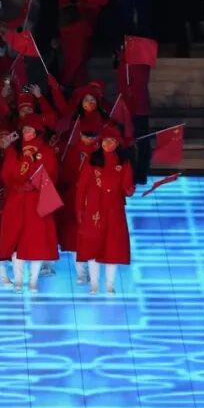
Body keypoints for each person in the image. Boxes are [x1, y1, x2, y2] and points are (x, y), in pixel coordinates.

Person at [0, 115, 60, 293]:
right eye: (24, 129)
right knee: (16, 241)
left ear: (37, 132)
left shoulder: (46, 151)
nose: (26, 132)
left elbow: (52, 174)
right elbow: (6, 174)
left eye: (30, 129)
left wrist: (35, 184)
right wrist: (18, 185)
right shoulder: (13, 151)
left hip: (38, 202)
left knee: (36, 241)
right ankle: (18, 280)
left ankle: (33, 281)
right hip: (16, 200)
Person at [76, 123, 135, 295]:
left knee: (113, 247)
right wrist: (79, 209)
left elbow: (127, 186)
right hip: (94, 209)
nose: (108, 143)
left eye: (112, 140)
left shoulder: (123, 163)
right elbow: (82, 188)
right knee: (93, 246)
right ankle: (94, 284)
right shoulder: (92, 160)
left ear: (117, 144)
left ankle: (110, 284)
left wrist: (129, 189)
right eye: (105, 140)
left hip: (114, 210)